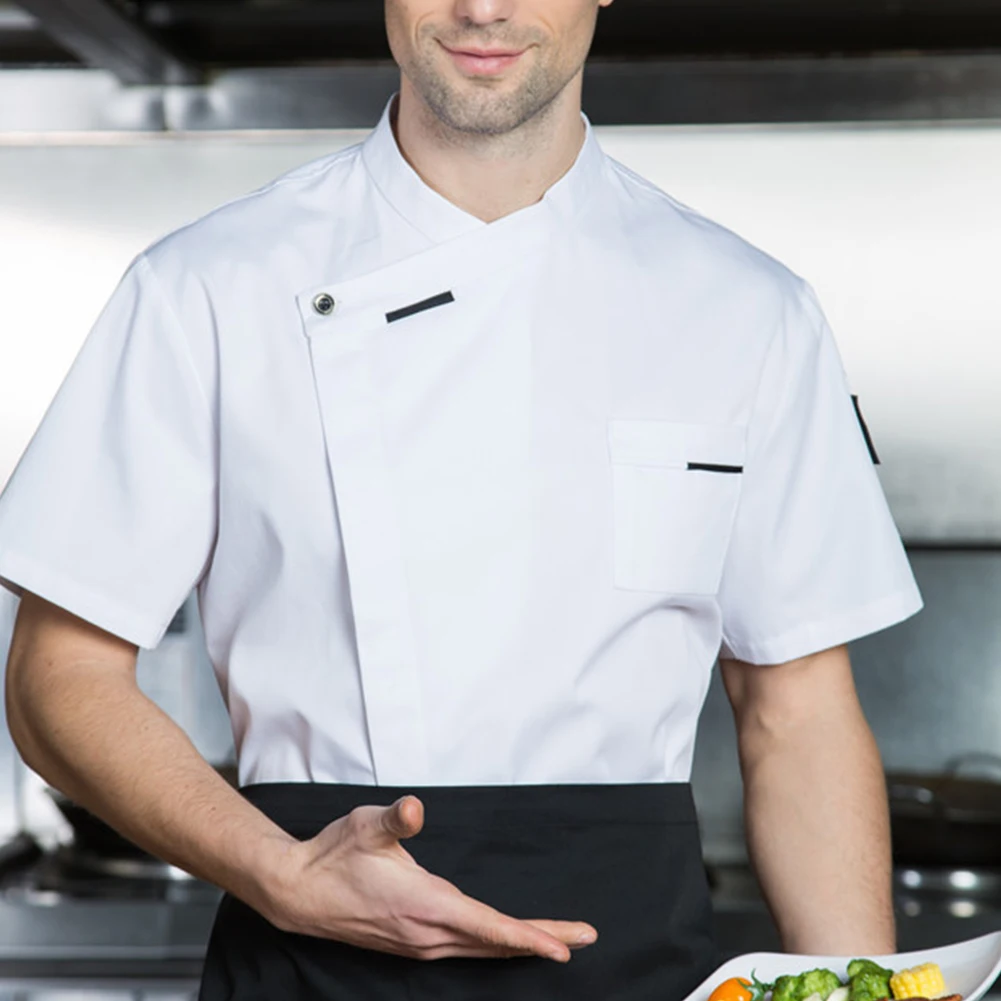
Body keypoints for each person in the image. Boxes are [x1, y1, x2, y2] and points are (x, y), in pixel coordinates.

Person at [0, 1, 922, 999]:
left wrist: (856, 988)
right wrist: (278, 869)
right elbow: (60, 676)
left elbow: (796, 714)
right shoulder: (206, 285)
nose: (485, 7)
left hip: (630, 966)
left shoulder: (745, 307)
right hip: (310, 965)